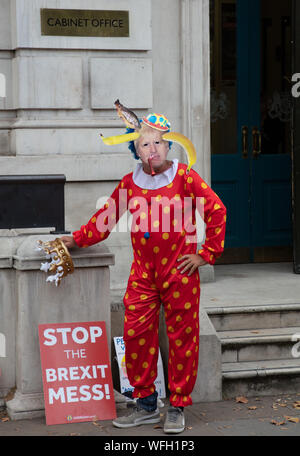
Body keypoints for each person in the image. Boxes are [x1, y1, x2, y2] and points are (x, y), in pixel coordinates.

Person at [61, 113, 226, 434]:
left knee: (182, 338)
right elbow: (104, 219)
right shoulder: (129, 182)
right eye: (145, 144)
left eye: (158, 143)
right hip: (143, 273)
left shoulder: (186, 178)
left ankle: (177, 405)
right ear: (137, 151)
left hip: (180, 271)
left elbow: (217, 210)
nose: (153, 149)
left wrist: (206, 254)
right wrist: (77, 239)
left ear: (168, 145)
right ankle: (146, 404)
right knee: (136, 334)